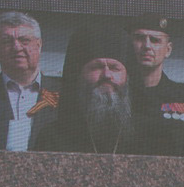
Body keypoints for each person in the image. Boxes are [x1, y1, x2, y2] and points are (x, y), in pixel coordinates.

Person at [36, 24, 140, 154]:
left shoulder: (148, 136)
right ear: (79, 76)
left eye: (114, 68)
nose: (107, 75)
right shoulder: (52, 137)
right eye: (96, 67)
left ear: (127, 76)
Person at [0, 12, 60, 152]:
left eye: (24, 40)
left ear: (39, 45)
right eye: (6, 41)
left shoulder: (66, 95)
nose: (17, 47)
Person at [125, 14, 184, 157]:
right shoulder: (115, 95)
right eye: (139, 38)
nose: (147, 46)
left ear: (168, 50)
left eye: (155, 40)